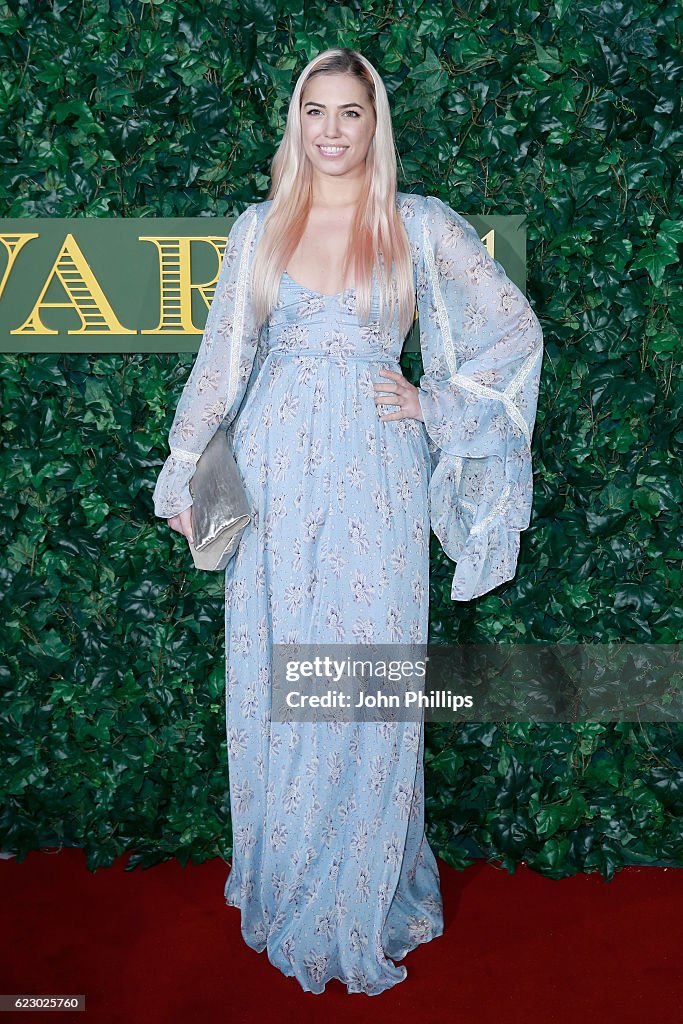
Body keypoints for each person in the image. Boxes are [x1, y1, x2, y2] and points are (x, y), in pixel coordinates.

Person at [152, 47, 543, 995]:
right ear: (298, 122)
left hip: (376, 474)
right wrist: (182, 468)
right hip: (276, 472)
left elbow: (511, 329)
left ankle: (359, 897)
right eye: (315, 112)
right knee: (280, 675)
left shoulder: (417, 225)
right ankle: (290, 880)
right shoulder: (259, 228)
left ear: (376, 124)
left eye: (350, 114)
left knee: (365, 682)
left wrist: (435, 405)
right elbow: (223, 363)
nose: (331, 130)